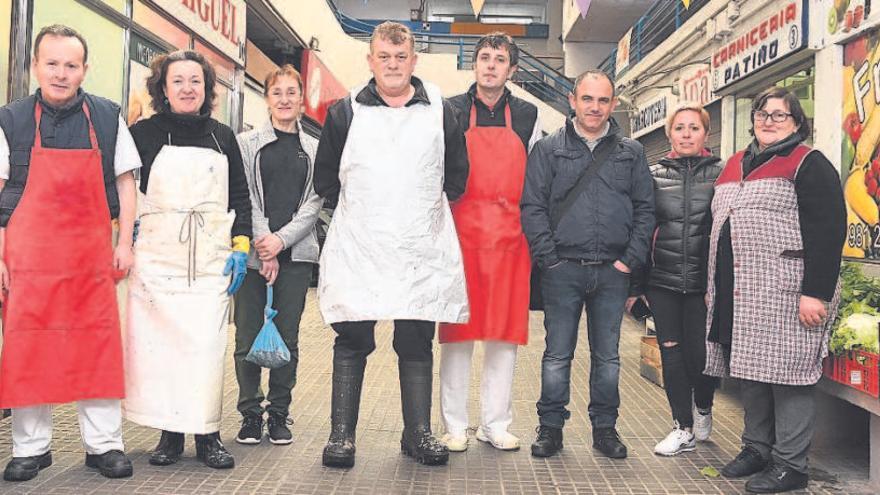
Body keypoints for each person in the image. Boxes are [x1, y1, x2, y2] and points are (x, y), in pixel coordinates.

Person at [313, 21, 469, 468]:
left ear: (414, 61)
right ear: (371, 61)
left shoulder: (441, 109)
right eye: (385, 57)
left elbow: (457, 175)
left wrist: (418, 214)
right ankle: (341, 435)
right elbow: (326, 177)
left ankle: (417, 433)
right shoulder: (345, 112)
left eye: (401, 58)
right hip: (362, 245)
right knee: (352, 335)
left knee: (417, 338)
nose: (393, 65)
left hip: (421, 246)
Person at [0, 24, 140, 481]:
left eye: (71, 65)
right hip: (28, 258)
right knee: (28, 346)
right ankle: (31, 448)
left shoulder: (106, 116)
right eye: (52, 63)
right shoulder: (12, 119)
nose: (61, 73)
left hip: (88, 258)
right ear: (35, 65)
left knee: (94, 343)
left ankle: (104, 446)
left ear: (84, 69)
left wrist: (124, 243)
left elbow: (126, 182)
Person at [706, 87, 845, 493]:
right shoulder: (734, 163)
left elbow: (828, 231)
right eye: (762, 113)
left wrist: (814, 292)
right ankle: (756, 449)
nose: (768, 121)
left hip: (787, 292)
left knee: (789, 376)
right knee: (751, 370)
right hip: (741, 292)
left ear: (797, 123)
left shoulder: (808, 163)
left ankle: (791, 464)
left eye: (779, 115)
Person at [125, 49, 252, 470]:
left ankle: (208, 433)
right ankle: (170, 434)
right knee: (162, 349)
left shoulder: (222, 135)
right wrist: (127, 228)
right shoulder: (142, 133)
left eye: (195, 81)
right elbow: (119, 187)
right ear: (163, 87)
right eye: (177, 80)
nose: (187, 88)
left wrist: (241, 247)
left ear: (206, 89)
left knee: (206, 348)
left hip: (210, 260)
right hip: (159, 259)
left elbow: (239, 196)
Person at [521, 69, 654, 459]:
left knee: (608, 357)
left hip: (613, 272)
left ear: (613, 104)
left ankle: (605, 428)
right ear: (573, 101)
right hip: (563, 270)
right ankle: (550, 428)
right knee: (557, 355)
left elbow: (646, 210)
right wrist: (549, 261)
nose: (595, 107)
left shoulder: (632, 152)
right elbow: (532, 207)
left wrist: (629, 262)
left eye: (602, 100)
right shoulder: (547, 150)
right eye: (587, 99)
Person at [438, 32, 540, 453]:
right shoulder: (452, 111)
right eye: (484, 57)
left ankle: (495, 424)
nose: (491, 65)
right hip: (460, 238)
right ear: (474, 65)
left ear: (512, 70)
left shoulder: (530, 115)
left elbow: (538, 181)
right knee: (458, 336)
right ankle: (455, 425)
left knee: (503, 336)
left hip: (512, 242)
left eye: (500, 59)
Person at [626, 103, 722, 456]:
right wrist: (637, 287)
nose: (686, 134)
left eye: (693, 128)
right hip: (662, 282)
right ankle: (682, 427)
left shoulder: (722, 173)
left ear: (705, 134)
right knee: (672, 355)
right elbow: (641, 228)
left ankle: (704, 405)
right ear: (669, 135)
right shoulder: (652, 175)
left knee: (701, 356)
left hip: (703, 285)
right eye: (679, 128)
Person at [234, 65, 322, 445]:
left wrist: (281, 243)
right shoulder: (247, 143)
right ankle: (250, 414)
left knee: (288, 338)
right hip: (254, 253)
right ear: (266, 97)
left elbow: (314, 204)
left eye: (291, 92)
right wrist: (263, 242)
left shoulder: (315, 149)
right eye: (277, 92)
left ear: (301, 99)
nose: (284, 99)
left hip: (296, 256)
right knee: (247, 336)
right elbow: (244, 195)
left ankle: (279, 414)